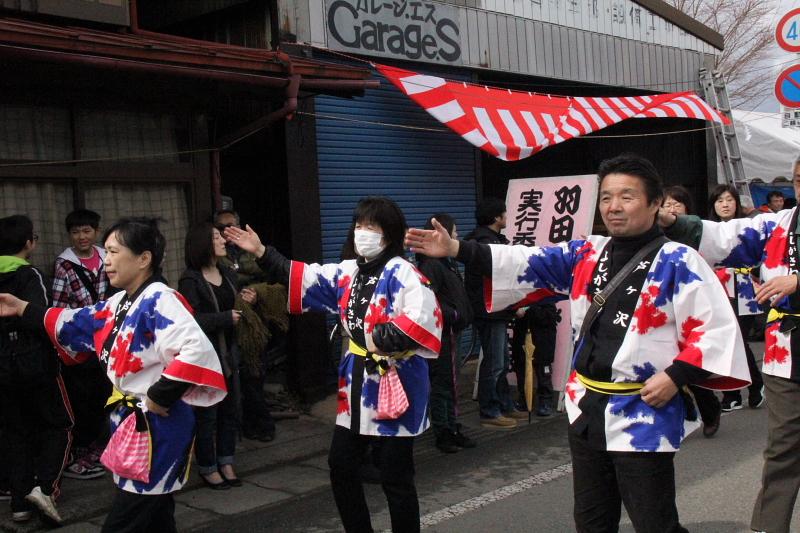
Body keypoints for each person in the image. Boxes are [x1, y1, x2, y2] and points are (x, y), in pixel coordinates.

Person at [407, 153, 750, 533]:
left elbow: (715, 329)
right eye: (606, 197)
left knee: (654, 522)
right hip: (586, 405)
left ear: (655, 204)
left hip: (643, 410)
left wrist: (675, 376)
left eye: (627, 196)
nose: (614, 207)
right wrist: (458, 250)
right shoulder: (589, 252)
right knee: (591, 519)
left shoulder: (680, 260)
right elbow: (526, 260)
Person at [224, 197, 441, 533]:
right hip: (355, 387)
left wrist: (376, 337)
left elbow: (423, 322)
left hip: (395, 384)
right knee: (340, 466)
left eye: (371, 227)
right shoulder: (348, 272)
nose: (362, 233)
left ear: (389, 234)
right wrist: (262, 252)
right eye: (358, 226)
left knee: (396, 476)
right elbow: (303, 276)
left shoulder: (406, 274)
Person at [0, 217, 227, 533]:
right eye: (105, 252)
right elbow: (74, 321)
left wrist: (161, 394)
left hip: (157, 426)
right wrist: (24, 308)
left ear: (143, 258)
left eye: (113, 252)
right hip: (135, 423)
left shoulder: (162, 299)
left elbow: (195, 351)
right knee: (157, 514)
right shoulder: (118, 303)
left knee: (127, 518)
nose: (105, 261)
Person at [661, 156, 800, 533]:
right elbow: (723, 237)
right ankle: (769, 526)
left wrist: (797, 281)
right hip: (787, 349)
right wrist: (674, 222)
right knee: (784, 445)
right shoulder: (778, 225)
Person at [0, 215, 73, 524]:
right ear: (29, 243)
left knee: (15, 431)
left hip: (2, 366)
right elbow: (40, 317)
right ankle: (45, 488)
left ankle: (19, 502)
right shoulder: (30, 275)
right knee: (60, 424)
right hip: (36, 364)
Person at [178, 222, 257, 490]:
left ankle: (226, 461)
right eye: (215, 237)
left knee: (230, 410)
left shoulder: (227, 273)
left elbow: (233, 304)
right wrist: (224, 318)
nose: (223, 240)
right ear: (202, 244)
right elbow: (190, 320)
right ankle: (208, 467)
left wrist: (247, 299)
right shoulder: (191, 279)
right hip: (205, 356)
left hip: (229, 354)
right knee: (207, 415)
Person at [52, 208, 111, 480]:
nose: (81, 237)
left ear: (96, 232)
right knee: (82, 398)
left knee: (105, 393)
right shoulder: (64, 264)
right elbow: (59, 305)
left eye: (87, 231)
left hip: (107, 335)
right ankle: (82, 451)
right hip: (80, 340)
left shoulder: (106, 257)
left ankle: (101, 448)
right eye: (76, 232)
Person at [661, 187, 723, 438]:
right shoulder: (655, 234)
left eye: (678, 204)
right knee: (664, 361)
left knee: (689, 364)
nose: (672, 208)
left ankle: (710, 410)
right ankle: (682, 413)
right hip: (664, 306)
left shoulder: (698, 234)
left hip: (694, 305)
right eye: (667, 204)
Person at [215, 209, 278, 441]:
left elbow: (273, 278)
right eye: (221, 228)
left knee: (255, 375)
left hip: (255, 322)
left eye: (231, 225)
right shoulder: (217, 252)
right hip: (228, 323)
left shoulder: (252, 248)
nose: (226, 232)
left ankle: (261, 425)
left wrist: (257, 293)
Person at [415, 213, 476, 453]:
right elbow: (430, 301)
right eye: (455, 231)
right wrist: (454, 315)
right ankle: (443, 432)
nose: (457, 236)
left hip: (452, 332)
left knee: (451, 382)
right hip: (442, 335)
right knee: (443, 383)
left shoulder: (444, 261)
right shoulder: (430, 264)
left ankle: (453, 426)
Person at [465, 198, 521, 429]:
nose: (507, 218)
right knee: (495, 362)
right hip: (490, 310)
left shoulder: (491, 240)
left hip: (498, 309)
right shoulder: (486, 243)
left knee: (502, 360)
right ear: (496, 218)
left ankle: (504, 404)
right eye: (504, 214)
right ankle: (490, 411)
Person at [708, 185, 765, 412]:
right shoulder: (707, 230)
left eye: (729, 199)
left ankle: (745, 387)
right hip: (717, 291)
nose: (724, 204)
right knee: (726, 341)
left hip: (744, 291)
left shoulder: (748, 228)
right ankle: (735, 392)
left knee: (737, 339)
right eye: (720, 200)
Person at [510, 303, 557, 417]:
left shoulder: (547, 295)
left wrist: (531, 309)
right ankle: (524, 399)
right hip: (522, 338)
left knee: (543, 372)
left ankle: (545, 401)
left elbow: (548, 317)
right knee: (522, 370)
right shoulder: (520, 294)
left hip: (542, 340)